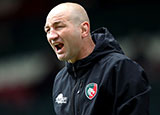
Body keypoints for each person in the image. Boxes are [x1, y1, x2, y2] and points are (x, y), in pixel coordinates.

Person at [44, 2, 151, 115]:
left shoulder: (121, 68)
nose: (52, 36)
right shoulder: (60, 79)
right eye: (48, 30)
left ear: (84, 29)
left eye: (59, 26)